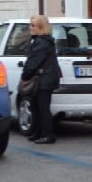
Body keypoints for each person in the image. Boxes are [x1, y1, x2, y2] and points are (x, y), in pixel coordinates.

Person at [21, 15, 62, 144]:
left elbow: (33, 62)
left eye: (33, 25)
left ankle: (47, 134)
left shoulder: (42, 43)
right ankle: (38, 132)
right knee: (36, 106)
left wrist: (25, 76)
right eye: (30, 24)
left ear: (41, 28)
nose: (30, 28)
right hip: (43, 78)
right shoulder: (41, 41)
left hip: (44, 79)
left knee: (43, 107)